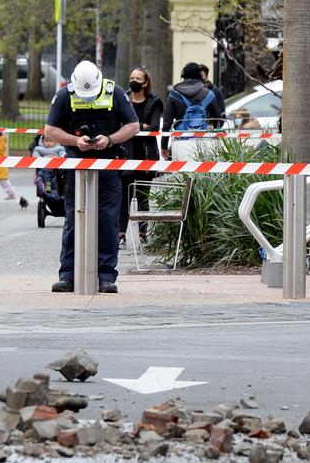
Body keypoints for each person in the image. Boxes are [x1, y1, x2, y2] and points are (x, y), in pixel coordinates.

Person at [43, 60, 140, 293]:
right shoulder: (65, 95)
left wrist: (111, 139)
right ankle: (68, 275)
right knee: (73, 221)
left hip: (108, 166)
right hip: (76, 166)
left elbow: (133, 125)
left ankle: (106, 276)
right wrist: (75, 141)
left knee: (107, 221)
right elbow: (50, 130)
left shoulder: (114, 93)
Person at [123, 66, 164, 247]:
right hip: (126, 154)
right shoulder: (123, 99)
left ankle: (142, 233)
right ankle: (120, 234)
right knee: (123, 196)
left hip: (146, 155)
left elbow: (154, 127)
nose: (134, 81)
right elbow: (119, 124)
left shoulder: (154, 102)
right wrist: (141, 125)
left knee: (143, 196)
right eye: (132, 77)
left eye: (138, 79)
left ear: (145, 82)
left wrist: (132, 127)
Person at [161, 62, 223, 150]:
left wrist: (164, 147)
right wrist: (212, 127)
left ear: (183, 75)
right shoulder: (208, 94)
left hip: (180, 142)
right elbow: (219, 119)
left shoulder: (174, 94)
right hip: (203, 143)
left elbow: (167, 123)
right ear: (200, 76)